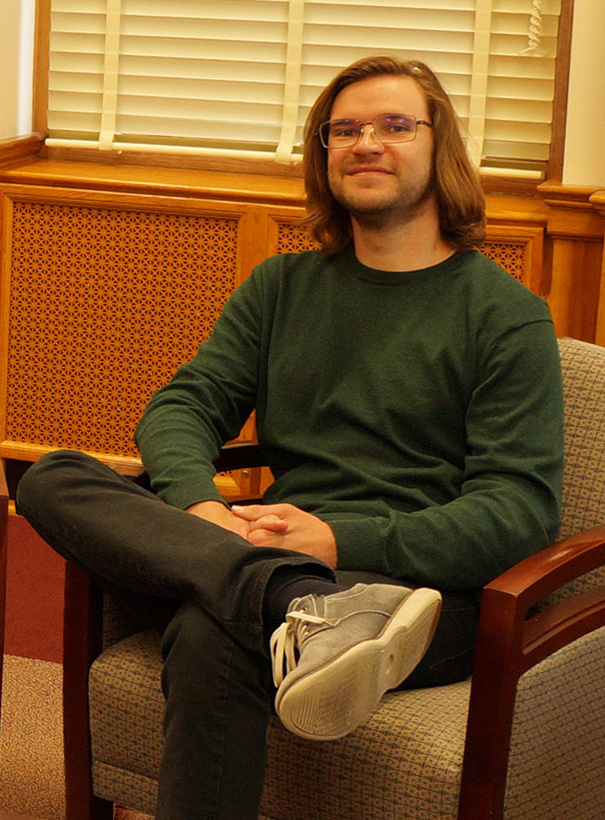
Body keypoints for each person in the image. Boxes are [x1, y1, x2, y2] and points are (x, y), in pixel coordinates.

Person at [16, 55, 563, 820]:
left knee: (211, 631)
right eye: (345, 130)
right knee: (52, 475)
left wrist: (337, 542)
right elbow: (182, 407)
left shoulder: (504, 315)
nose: (366, 142)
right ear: (325, 154)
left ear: (441, 148)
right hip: (271, 554)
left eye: (394, 125)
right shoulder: (282, 288)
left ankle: (276, 592)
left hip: (414, 600)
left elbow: (518, 511)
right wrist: (207, 514)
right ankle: (287, 597)